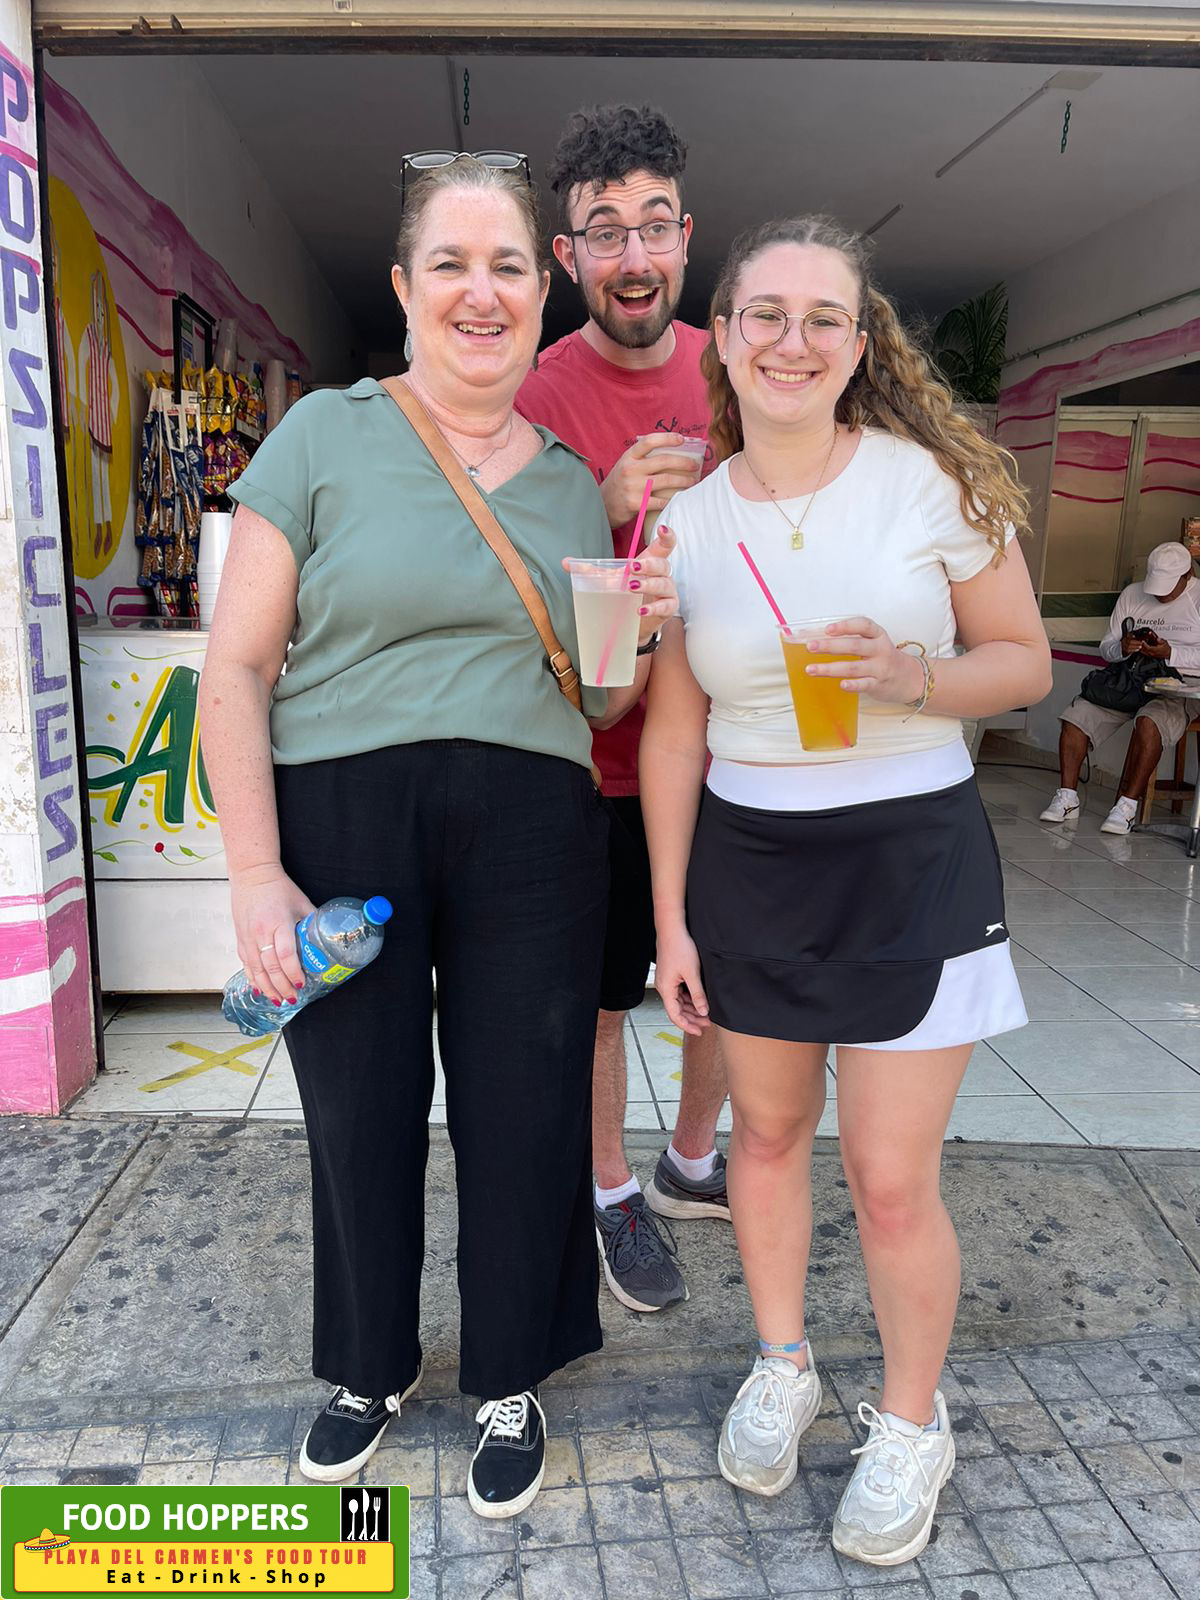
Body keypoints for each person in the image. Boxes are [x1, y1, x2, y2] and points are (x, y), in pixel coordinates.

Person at [198, 155, 676, 1518]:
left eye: (511, 266)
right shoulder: (322, 439)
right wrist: (253, 871)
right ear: (406, 290)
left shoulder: (572, 484)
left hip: (534, 819)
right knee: (358, 1106)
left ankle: (510, 1369)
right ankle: (369, 1361)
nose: (484, 292)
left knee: (525, 1108)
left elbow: (599, 698)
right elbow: (235, 670)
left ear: (544, 292)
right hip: (341, 811)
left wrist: (634, 626)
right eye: (453, 265)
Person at [640, 215, 1051, 1566]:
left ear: (860, 342)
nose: (793, 340)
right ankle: (782, 1362)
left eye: (825, 316)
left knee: (885, 1176)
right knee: (761, 1140)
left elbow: (1025, 665)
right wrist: (671, 915)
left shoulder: (928, 483)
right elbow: (674, 732)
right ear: (722, 336)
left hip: (910, 857)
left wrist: (914, 679)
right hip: (752, 864)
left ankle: (911, 1423)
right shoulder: (687, 524)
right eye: (765, 313)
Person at [517, 103, 729, 1317]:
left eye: (653, 226)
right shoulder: (540, 393)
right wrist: (597, 505)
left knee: (729, 979)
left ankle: (691, 1157)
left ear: (686, 238)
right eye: (605, 233)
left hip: (731, 755)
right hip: (594, 765)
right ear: (569, 259)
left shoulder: (741, 367)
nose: (633, 255)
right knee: (604, 996)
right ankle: (608, 1188)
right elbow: (509, 580)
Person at [1041, 540, 1200, 835]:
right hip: (1128, 680)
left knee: (1149, 722)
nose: (1160, 594)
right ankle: (1067, 797)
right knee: (1076, 717)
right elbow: (1107, 648)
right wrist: (1123, 648)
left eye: (1168, 586)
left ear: (1187, 575)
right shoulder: (1132, 594)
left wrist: (1170, 653)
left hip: (1179, 688)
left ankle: (1126, 807)